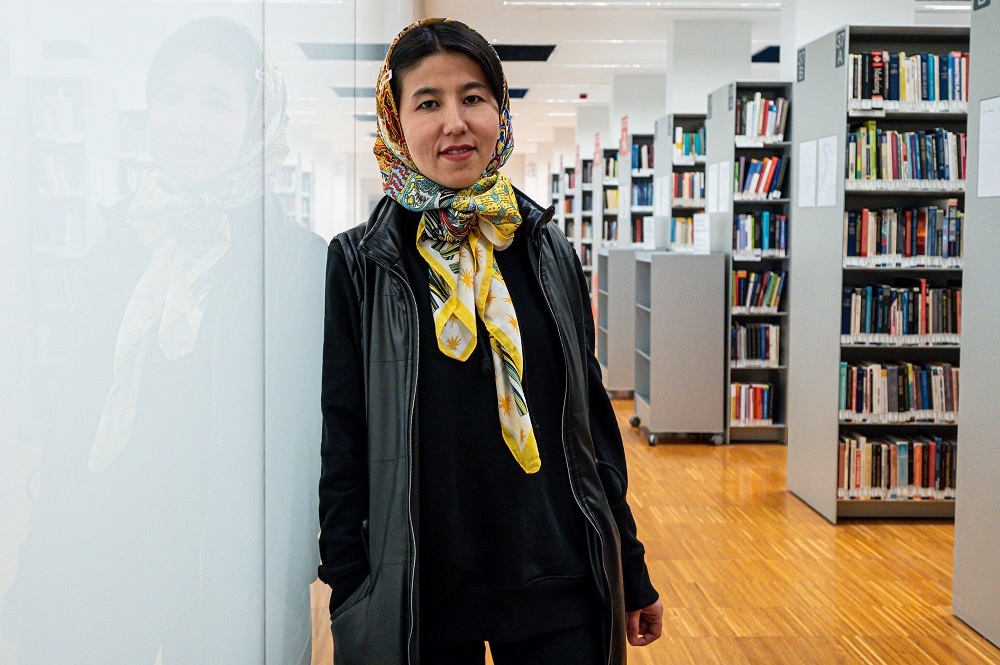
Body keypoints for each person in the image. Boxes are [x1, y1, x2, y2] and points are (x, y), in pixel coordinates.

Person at [318, 17, 663, 665]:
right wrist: (350, 586)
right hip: (420, 593)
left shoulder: (543, 243)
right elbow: (345, 440)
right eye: (429, 102)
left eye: (473, 97)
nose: (455, 121)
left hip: (557, 578)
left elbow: (589, 424)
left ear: (500, 112)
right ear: (396, 123)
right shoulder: (361, 263)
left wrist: (630, 564)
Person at [3, 17, 325, 664]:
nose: (186, 120)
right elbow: (78, 409)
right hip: (104, 552)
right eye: (170, 96)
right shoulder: (124, 236)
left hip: (224, 575)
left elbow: (313, 443)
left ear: (257, 120)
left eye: (214, 100)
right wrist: (42, 557)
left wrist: (288, 577)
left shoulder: (297, 265)